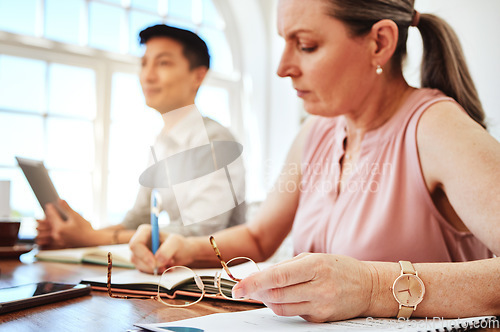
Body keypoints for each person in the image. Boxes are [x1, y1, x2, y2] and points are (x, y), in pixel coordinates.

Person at [129, 0, 500, 323]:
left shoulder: (438, 128)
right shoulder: (316, 131)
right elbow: (259, 237)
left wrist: (372, 288)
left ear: (380, 43)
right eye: (284, 42)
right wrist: (184, 248)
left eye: (306, 45)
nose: (282, 67)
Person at [36, 24, 246, 249]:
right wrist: (77, 234)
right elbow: (138, 219)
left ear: (198, 76)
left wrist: (92, 238)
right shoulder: (163, 142)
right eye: (144, 63)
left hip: (217, 274)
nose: (147, 75)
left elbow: (201, 232)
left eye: (163, 63)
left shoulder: (216, 142)